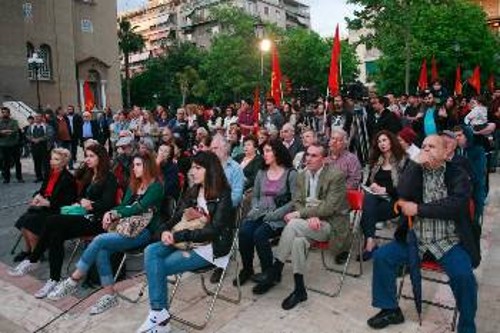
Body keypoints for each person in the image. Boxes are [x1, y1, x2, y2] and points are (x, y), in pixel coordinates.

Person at [367, 135, 479, 332]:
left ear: (446, 152)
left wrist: (419, 209)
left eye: (432, 146)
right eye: (424, 146)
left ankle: (467, 326)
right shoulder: (416, 171)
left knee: (464, 277)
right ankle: (390, 309)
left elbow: (457, 205)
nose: (426, 150)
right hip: (415, 240)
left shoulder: (458, 174)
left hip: (448, 242)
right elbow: (402, 192)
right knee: (382, 257)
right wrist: (413, 164)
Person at [46, 152, 163, 314]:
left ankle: (74, 279)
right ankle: (109, 295)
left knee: (100, 240)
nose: (134, 168)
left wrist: (117, 213)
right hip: (125, 227)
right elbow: (123, 206)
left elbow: (139, 207)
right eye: (133, 165)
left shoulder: (156, 187)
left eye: (138, 165)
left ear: (148, 166)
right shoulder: (134, 184)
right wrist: (111, 213)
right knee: (102, 249)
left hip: (144, 232)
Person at [136, 152, 235, 333]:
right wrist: (165, 231)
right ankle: (160, 314)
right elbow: (174, 218)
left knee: (160, 266)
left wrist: (179, 236)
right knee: (151, 251)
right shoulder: (193, 191)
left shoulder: (223, 194)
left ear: (210, 171)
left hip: (209, 248)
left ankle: (160, 317)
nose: (192, 172)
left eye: (198, 168)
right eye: (192, 167)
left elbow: (214, 231)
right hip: (184, 240)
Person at [8, 144, 118, 291]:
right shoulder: (90, 175)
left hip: (98, 220)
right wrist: (81, 202)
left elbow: (108, 203)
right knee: (55, 234)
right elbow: (79, 197)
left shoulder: (109, 177)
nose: (87, 159)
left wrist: (91, 204)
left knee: (52, 220)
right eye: (86, 155)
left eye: (91, 156)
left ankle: (33, 259)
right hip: (83, 215)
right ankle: (53, 279)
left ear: (101, 158)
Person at [252, 144, 349, 307]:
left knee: (293, 223)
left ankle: (276, 269)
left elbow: (330, 207)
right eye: (307, 155)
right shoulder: (302, 175)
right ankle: (299, 290)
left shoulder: (336, 176)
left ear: (324, 159)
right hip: (308, 224)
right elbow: (297, 201)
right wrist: (309, 215)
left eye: (314, 156)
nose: (308, 159)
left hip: (330, 224)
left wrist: (305, 214)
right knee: (298, 242)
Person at [236, 139, 297, 287]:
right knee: (244, 232)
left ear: (278, 152)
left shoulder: (291, 173)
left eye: (268, 151)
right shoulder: (261, 173)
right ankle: (248, 269)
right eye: (264, 152)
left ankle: (269, 274)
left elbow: (295, 201)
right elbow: (255, 196)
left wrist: (276, 214)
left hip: (280, 216)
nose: (265, 154)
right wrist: (256, 208)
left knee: (260, 234)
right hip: (260, 213)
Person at [14, 148, 77, 262]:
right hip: (44, 207)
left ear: (64, 162)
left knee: (30, 222)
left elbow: (67, 202)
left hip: (56, 210)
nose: (52, 161)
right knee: (23, 220)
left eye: (56, 159)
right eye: (51, 158)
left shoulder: (68, 178)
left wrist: (48, 203)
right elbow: (42, 191)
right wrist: (36, 197)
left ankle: (35, 253)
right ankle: (28, 250)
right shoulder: (50, 173)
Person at [360, 130, 408, 261]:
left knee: (365, 212)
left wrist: (385, 190)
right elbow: (369, 181)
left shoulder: (403, 160)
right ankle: (370, 242)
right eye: (379, 141)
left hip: (395, 201)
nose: (382, 144)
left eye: (384, 140)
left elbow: (405, 187)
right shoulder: (376, 161)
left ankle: (370, 242)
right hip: (375, 199)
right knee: (368, 199)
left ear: (391, 141)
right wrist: (373, 185)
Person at [210, 134, 244, 207]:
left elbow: (237, 196)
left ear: (225, 148)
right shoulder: (209, 166)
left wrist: (220, 205)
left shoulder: (235, 168)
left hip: (226, 209)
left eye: (215, 148)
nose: (213, 151)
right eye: (211, 149)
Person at [0, 107, 22, 183]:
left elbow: (15, 130)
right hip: (4, 145)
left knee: (17, 162)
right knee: (6, 163)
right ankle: (7, 179)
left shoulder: (14, 121)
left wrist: (3, 132)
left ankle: (19, 178)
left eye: (5, 112)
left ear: (9, 113)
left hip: (14, 144)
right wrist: (6, 132)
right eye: (3, 112)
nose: (4, 113)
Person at [26, 113, 51, 182]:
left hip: (44, 146)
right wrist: (32, 139)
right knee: (37, 162)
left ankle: (47, 177)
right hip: (34, 147)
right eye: (36, 117)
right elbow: (27, 135)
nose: (37, 118)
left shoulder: (46, 126)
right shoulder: (31, 127)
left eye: (39, 117)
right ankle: (38, 177)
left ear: (42, 118)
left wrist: (39, 139)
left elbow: (49, 135)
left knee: (46, 163)